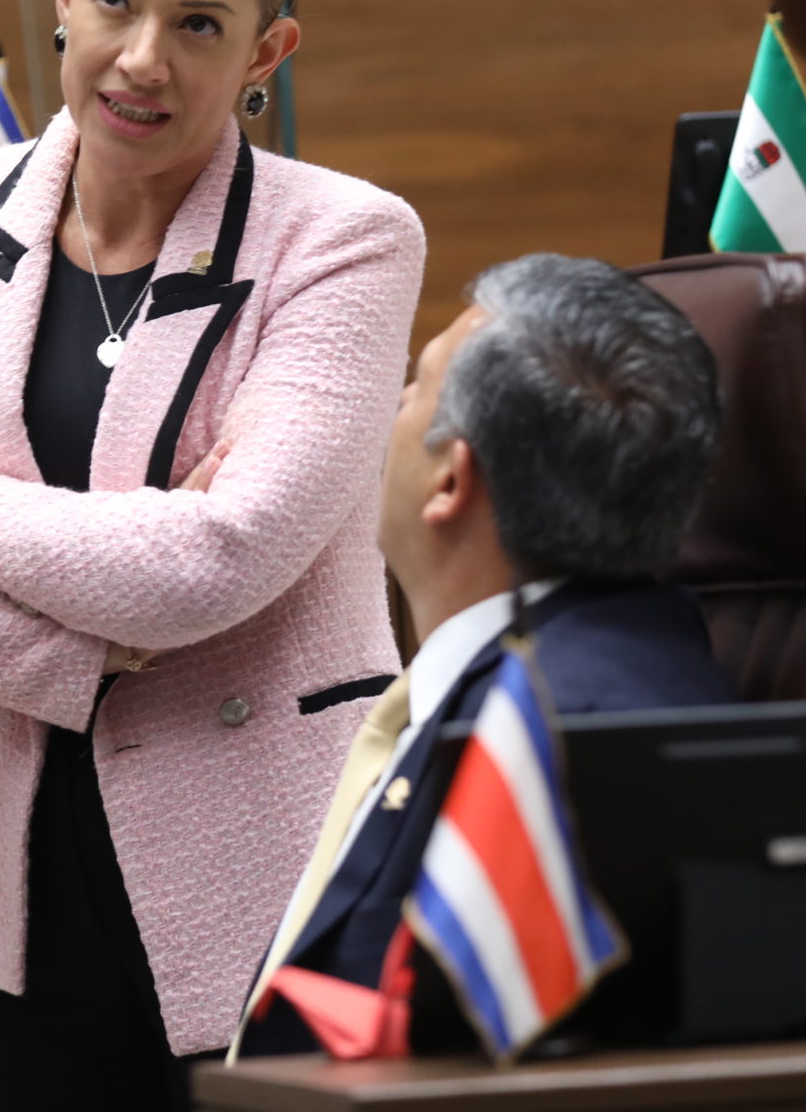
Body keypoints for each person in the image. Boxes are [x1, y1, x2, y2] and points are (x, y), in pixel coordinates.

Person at [0, 0, 425, 1110]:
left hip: (269, 852)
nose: (142, 58)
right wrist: (89, 654)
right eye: (115, 0)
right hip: (16, 854)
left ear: (265, 52)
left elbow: (215, 561)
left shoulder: (345, 241)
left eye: (198, 24)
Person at [233, 253, 735, 1058]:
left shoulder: (547, 747)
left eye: (413, 388)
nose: (393, 410)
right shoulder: (629, 657)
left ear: (449, 480)